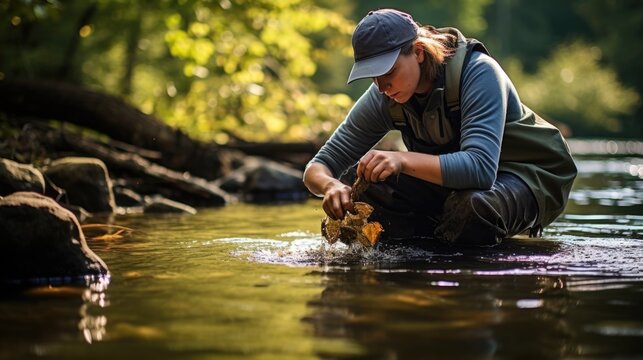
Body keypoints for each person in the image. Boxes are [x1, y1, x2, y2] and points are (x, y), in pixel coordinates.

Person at [303, 8, 577, 246]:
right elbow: (317, 167)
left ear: (418, 52)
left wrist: (401, 159)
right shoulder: (384, 96)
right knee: (369, 187)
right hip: (464, 185)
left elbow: (480, 170)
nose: (381, 86)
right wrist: (330, 186)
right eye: (373, 77)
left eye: (388, 72)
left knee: (472, 207)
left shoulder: (480, 73)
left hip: (530, 175)